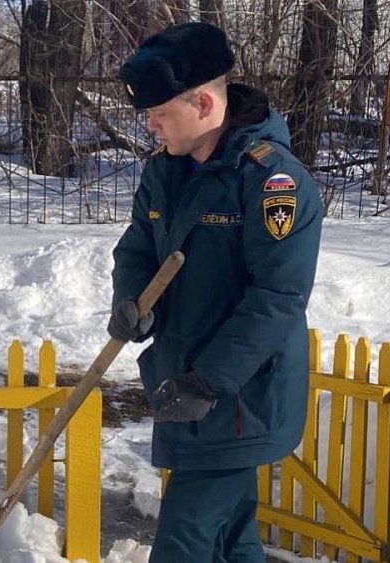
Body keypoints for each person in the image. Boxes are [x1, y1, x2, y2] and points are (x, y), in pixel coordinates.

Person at [106, 22, 323, 562]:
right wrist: (132, 302)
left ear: (203, 103)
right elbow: (137, 249)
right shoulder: (165, 174)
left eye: (159, 114)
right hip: (185, 383)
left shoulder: (272, 181)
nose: (151, 126)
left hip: (240, 394)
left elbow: (278, 296)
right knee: (232, 541)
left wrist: (210, 379)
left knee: (185, 540)